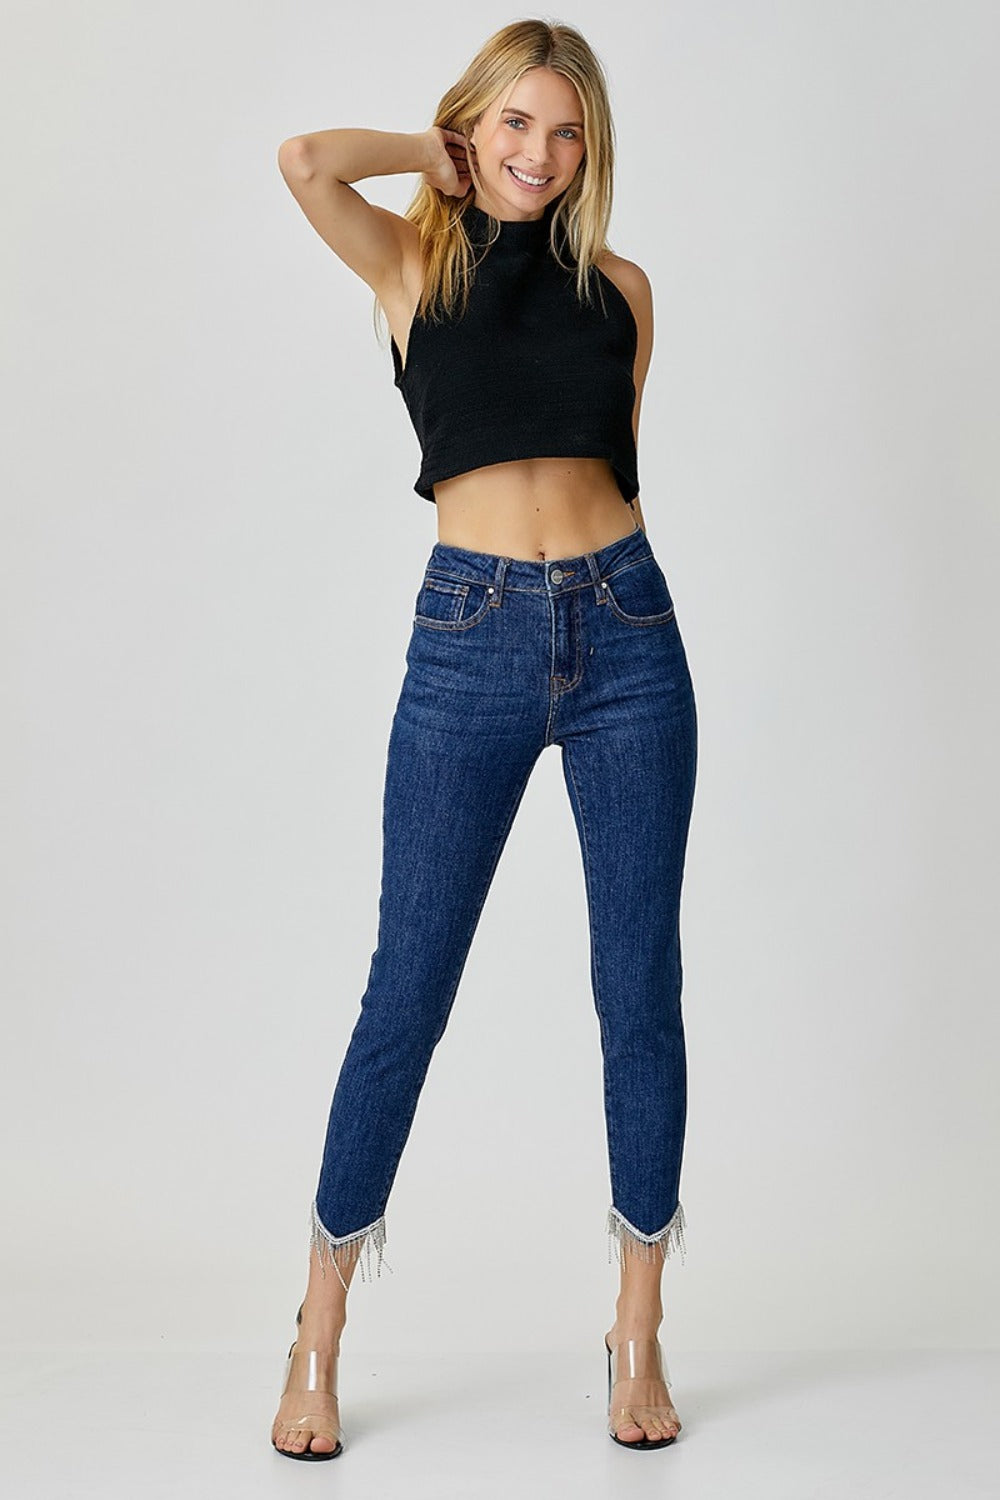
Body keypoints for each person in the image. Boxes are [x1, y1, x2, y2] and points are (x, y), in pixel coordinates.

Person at [270, 18, 698, 1461]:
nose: (540, 154)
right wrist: (431, 158)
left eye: (566, 133)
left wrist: (603, 602)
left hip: (628, 629)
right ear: (474, 127)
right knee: (408, 986)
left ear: (592, 151)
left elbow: (615, 459)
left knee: (638, 989)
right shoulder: (411, 267)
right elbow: (305, 161)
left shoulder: (624, 292)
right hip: (471, 634)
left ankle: (637, 1328)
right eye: (515, 124)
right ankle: (317, 1331)